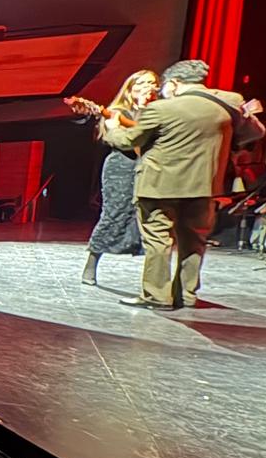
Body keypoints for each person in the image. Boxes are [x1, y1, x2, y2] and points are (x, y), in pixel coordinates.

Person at [101, 59, 242, 309]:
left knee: (157, 240)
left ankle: (156, 296)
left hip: (159, 184)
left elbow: (128, 140)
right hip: (203, 186)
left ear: (175, 84)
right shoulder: (225, 107)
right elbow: (256, 132)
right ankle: (186, 295)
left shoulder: (162, 109)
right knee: (194, 241)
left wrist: (112, 128)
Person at [70, 69, 157, 285]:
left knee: (150, 219)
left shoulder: (158, 111)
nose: (149, 87)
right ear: (132, 87)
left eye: (153, 83)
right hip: (121, 167)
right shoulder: (118, 112)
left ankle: (153, 279)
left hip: (149, 168)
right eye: (143, 82)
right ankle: (91, 265)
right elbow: (116, 139)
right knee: (114, 214)